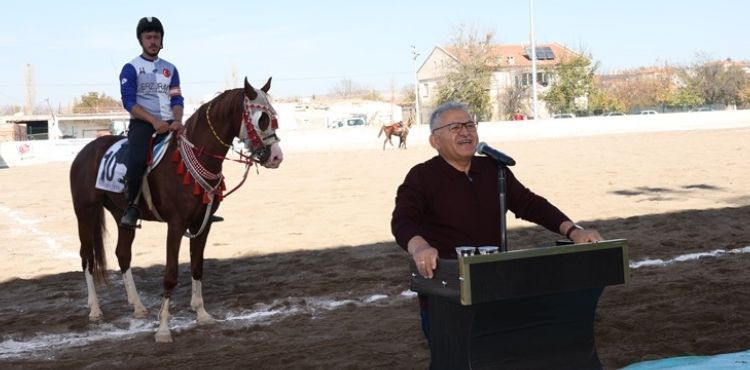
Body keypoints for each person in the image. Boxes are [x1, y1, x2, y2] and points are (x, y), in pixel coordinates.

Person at [390, 101, 603, 340]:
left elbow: (530, 204)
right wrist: (420, 246)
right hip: (447, 295)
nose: (465, 132)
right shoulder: (422, 176)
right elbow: (403, 220)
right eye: (455, 127)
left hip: (495, 287)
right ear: (434, 141)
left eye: (470, 125)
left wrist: (573, 231)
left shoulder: (495, 169)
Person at [118, 17, 225, 227]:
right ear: (140, 40)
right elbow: (129, 102)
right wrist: (153, 121)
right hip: (143, 124)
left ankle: (201, 207)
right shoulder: (130, 68)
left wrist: (177, 120)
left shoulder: (171, 69)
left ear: (161, 40)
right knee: (137, 158)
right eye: (148, 37)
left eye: (156, 37)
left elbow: (176, 98)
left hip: (170, 123)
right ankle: (132, 206)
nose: (152, 41)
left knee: (197, 154)